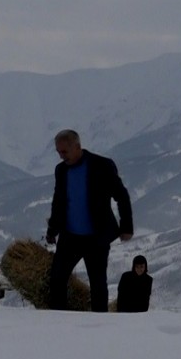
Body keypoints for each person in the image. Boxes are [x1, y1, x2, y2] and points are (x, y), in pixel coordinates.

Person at [45, 129, 134, 312]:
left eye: (65, 152)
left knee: (98, 283)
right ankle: (57, 318)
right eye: (58, 152)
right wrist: (52, 229)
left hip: (97, 237)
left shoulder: (102, 165)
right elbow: (59, 201)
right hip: (70, 237)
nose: (62, 157)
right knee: (57, 278)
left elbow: (121, 195)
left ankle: (99, 324)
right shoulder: (61, 171)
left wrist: (126, 226)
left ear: (77, 147)